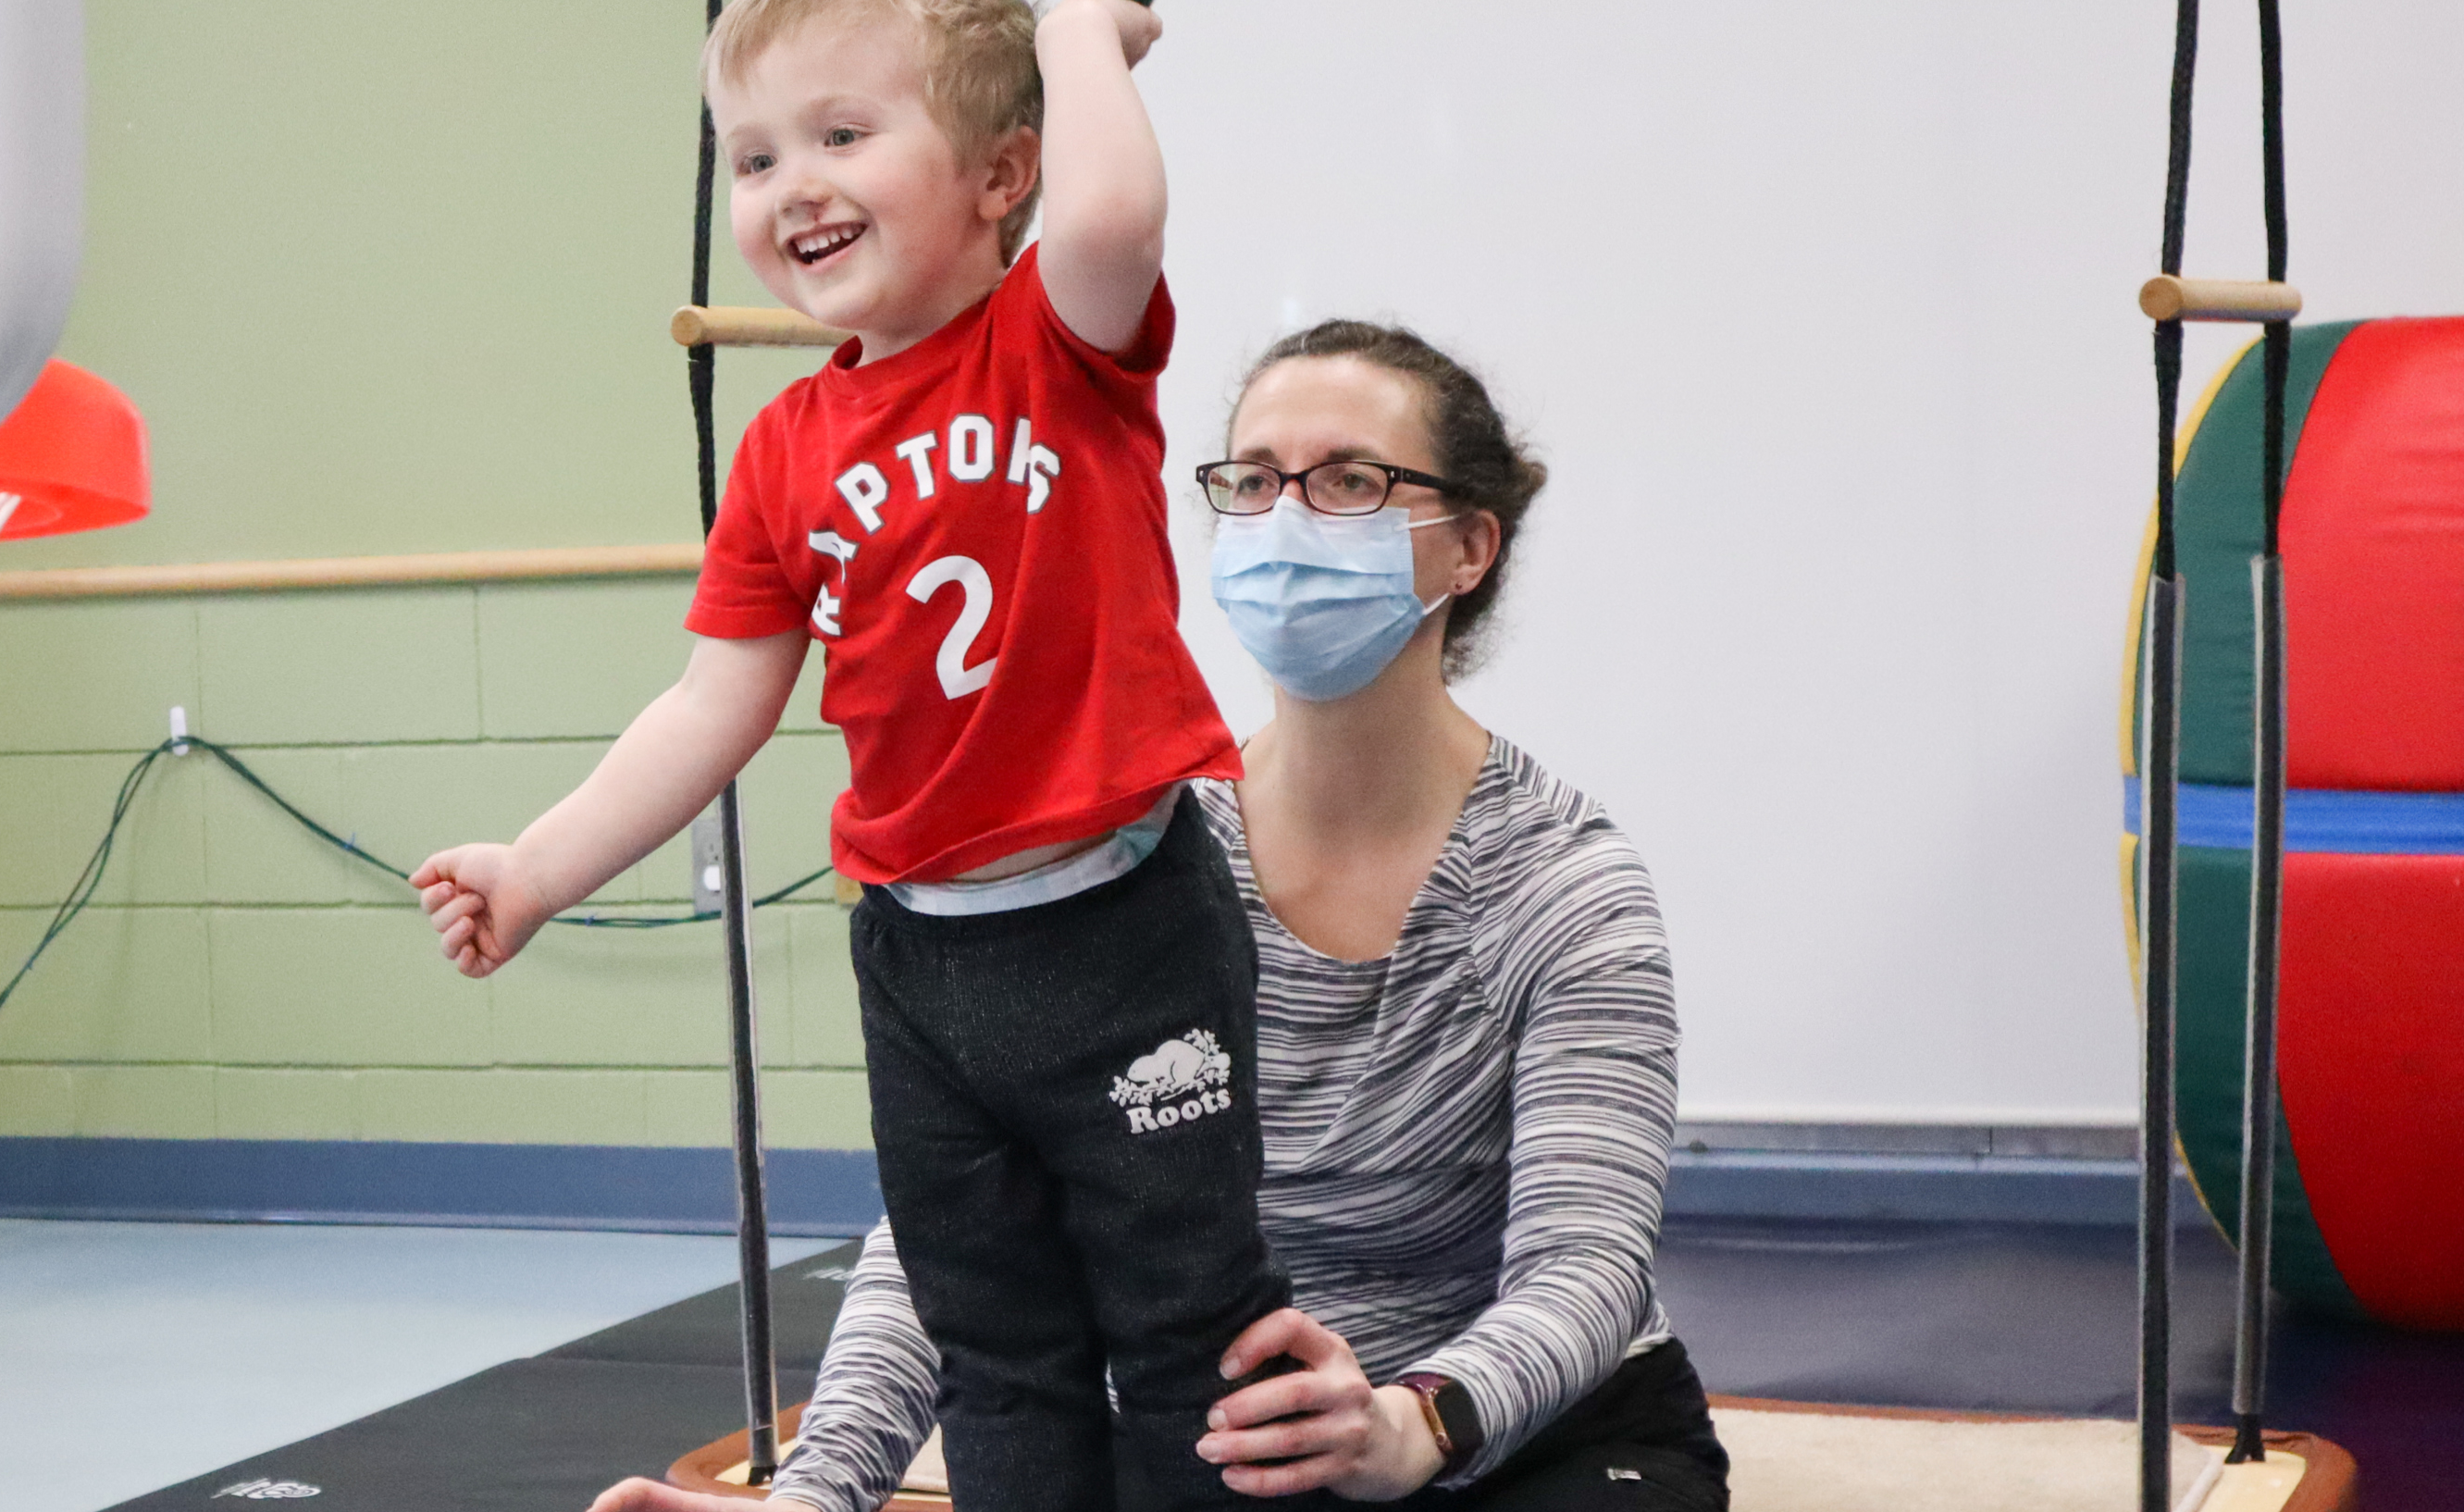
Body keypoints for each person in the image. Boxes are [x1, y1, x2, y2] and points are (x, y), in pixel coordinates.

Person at [415, 0, 1286, 1512]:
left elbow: (1113, 214)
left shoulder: (1059, 345)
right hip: (927, 965)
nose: (787, 186)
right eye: (751, 156)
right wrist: (539, 867)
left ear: (998, 174)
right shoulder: (785, 452)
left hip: (1123, 932)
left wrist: (1078, 35)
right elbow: (714, 703)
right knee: (998, 1340)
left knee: (1184, 1330)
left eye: (840, 135)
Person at [592, 322, 1732, 1512]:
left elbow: (1585, 1265)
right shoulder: (1123, 859)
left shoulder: (1563, 880)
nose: (1285, 517)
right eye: (1250, 480)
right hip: (1229, 1436)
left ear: (1466, 547)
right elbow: (958, 1232)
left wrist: (1410, 1424)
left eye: (1348, 480)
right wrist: (820, 1492)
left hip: (1509, 1435)